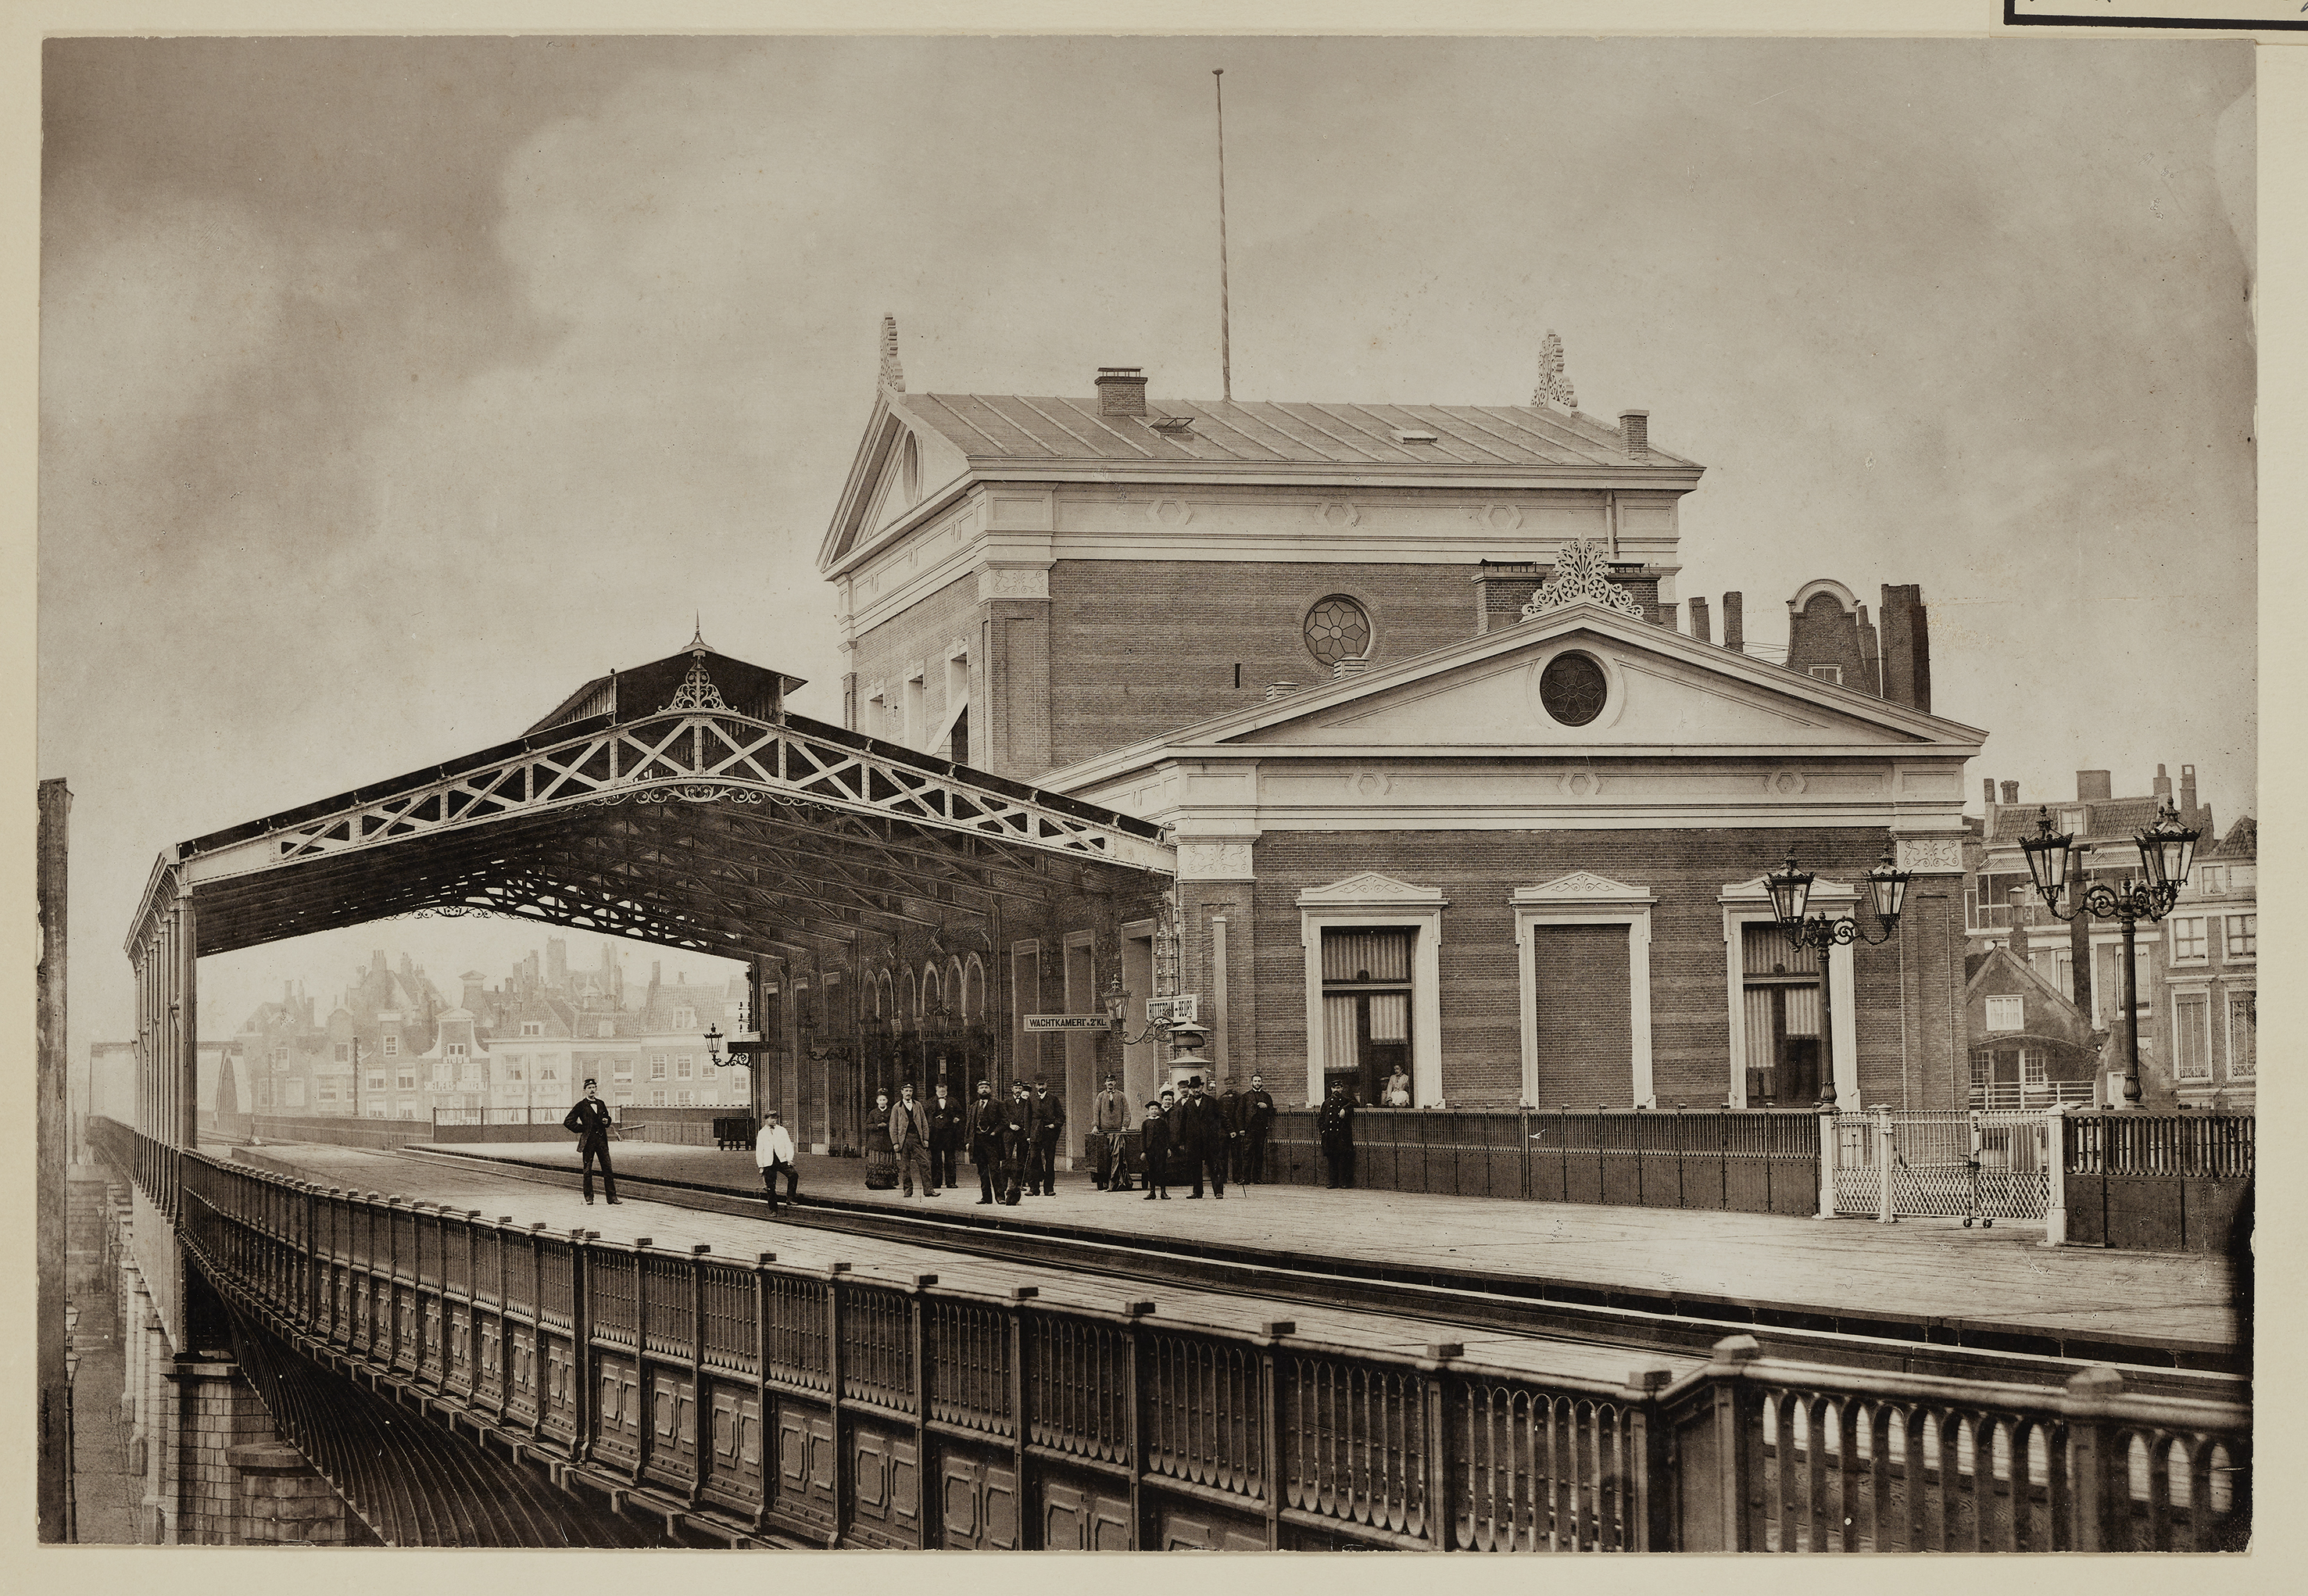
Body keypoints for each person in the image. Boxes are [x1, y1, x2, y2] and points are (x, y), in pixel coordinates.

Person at [562, 1079, 621, 1204]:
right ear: (585, 1090)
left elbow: (607, 1118)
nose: (592, 1090)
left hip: (601, 1141)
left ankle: (612, 1198)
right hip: (588, 1142)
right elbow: (568, 1122)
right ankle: (589, 1198)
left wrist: (607, 1121)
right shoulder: (581, 1105)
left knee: (608, 1169)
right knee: (588, 1170)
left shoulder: (601, 1103)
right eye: (589, 1088)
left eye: (594, 1087)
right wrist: (583, 1129)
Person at [1176, 1076, 1229, 1200]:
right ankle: (1197, 1192)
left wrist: (1230, 1130)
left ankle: (1218, 1191)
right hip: (1193, 1141)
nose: (1196, 1090)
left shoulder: (1212, 1102)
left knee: (1214, 1165)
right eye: (1193, 1088)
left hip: (1210, 1140)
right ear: (1191, 1089)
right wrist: (1182, 1142)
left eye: (1198, 1087)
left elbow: (1222, 1117)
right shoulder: (1187, 1105)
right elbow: (1182, 1125)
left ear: (1202, 1087)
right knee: (1195, 1166)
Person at [891, 1082, 938, 1199]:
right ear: (902, 1092)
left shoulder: (918, 1105)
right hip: (904, 1140)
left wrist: (926, 1139)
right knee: (905, 1166)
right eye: (906, 1091)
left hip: (917, 1139)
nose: (908, 1093)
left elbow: (924, 1123)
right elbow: (893, 1126)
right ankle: (907, 1190)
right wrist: (895, 1142)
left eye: (910, 1091)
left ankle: (928, 1190)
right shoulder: (897, 1107)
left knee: (925, 1163)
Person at [1090, 1073, 1130, 1190]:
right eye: (1108, 1081)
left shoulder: (1121, 1096)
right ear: (1105, 1083)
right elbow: (1096, 1112)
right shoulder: (1101, 1096)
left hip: (1118, 1132)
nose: (1110, 1083)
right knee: (1105, 1157)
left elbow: (1127, 1111)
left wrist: (1124, 1127)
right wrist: (1095, 1126)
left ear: (1116, 1082)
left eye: (1112, 1081)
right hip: (1104, 1132)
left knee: (1117, 1155)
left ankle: (1117, 1180)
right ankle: (1105, 1180)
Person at [753, 1109, 799, 1212]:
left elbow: (788, 1145)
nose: (774, 1120)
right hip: (768, 1163)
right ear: (766, 1120)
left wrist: (789, 1159)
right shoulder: (762, 1133)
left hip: (782, 1160)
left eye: (776, 1118)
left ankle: (790, 1198)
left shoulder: (782, 1130)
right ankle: (773, 1209)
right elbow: (759, 1151)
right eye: (772, 1118)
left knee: (793, 1175)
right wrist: (761, 1166)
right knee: (770, 1186)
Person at [969, 1079, 1005, 1205]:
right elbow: (970, 1126)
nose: (984, 1090)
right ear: (978, 1090)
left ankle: (1000, 1196)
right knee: (982, 1170)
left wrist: (995, 1132)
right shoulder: (974, 1106)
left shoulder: (997, 1104)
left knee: (995, 1169)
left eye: (986, 1087)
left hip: (992, 1142)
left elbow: (1004, 1121)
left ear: (990, 1090)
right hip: (978, 1142)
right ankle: (986, 1197)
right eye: (981, 1088)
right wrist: (968, 1141)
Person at [1029, 1079, 1066, 1197]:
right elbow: (1027, 1118)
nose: (1041, 1086)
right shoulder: (1031, 1099)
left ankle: (1049, 1188)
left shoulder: (1053, 1099)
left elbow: (1061, 1116)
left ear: (1046, 1084)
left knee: (1050, 1161)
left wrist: (1054, 1125)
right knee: (1034, 1160)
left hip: (1049, 1134)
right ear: (1035, 1086)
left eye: (1043, 1084)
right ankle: (1033, 1188)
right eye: (1038, 1084)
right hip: (1035, 1133)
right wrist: (1028, 1136)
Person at [1236, 1072, 1276, 1184]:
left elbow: (1272, 1112)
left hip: (1261, 1129)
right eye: (1255, 1081)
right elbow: (1240, 1113)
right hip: (1249, 1129)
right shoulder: (1245, 1096)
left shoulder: (1266, 1097)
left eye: (1259, 1081)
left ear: (1262, 1083)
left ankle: (1257, 1178)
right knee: (1247, 1153)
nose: (1257, 1083)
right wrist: (1241, 1129)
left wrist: (1266, 1106)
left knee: (1259, 1153)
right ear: (1251, 1083)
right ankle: (1245, 1178)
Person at [1319, 1080, 1358, 1190]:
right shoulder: (1326, 1102)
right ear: (1331, 1089)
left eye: (1339, 1088)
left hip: (1341, 1136)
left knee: (1343, 1160)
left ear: (1342, 1089)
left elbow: (1355, 1103)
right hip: (1330, 1136)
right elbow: (1321, 1119)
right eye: (1334, 1088)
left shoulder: (1346, 1101)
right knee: (1331, 1160)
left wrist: (1344, 1109)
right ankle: (1333, 1182)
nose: (1337, 1090)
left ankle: (1343, 1182)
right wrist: (1323, 1131)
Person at [999, 1083, 1033, 1204]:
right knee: (1006, 1159)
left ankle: (1018, 1184)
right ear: (1012, 1089)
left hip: (1021, 1135)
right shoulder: (1006, 1103)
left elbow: (1029, 1117)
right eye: (1016, 1088)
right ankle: (1003, 1186)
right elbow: (1002, 1117)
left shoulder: (1026, 1103)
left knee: (1021, 1159)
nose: (1018, 1091)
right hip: (1009, 1134)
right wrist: (1010, 1125)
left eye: (1020, 1089)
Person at [928, 1081, 964, 1192]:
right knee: (936, 1158)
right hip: (935, 1134)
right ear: (936, 1088)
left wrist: (957, 1118)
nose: (942, 1089)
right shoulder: (929, 1102)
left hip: (949, 1134)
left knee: (950, 1158)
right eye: (939, 1087)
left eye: (944, 1087)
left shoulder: (954, 1101)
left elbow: (961, 1114)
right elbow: (926, 1117)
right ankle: (936, 1182)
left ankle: (951, 1182)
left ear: (947, 1088)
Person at [1138, 1099, 1172, 1201]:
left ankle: (1163, 1192)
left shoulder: (1162, 1122)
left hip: (1161, 1150)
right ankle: (1152, 1192)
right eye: (1152, 1109)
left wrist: (1168, 1148)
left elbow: (1167, 1136)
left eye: (1156, 1109)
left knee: (1162, 1170)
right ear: (1148, 1111)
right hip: (1150, 1151)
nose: (1154, 1111)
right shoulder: (1145, 1123)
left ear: (1158, 1110)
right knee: (1151, 1171)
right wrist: (1143, 1151)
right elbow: (1143, 1138)